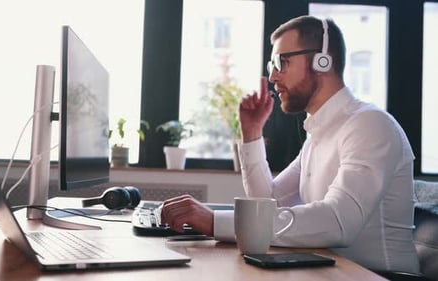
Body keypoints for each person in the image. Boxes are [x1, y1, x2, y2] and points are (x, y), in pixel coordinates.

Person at [160, 15, 420, 274]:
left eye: (282, 62)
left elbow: (338, 222)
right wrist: (251, 133)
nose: (272, 75)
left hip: (376, 276)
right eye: (272, 63)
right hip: (329, 272)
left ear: (322, 61)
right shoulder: (318, 137)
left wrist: (215, 221)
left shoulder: (369, 125)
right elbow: (266, 202)